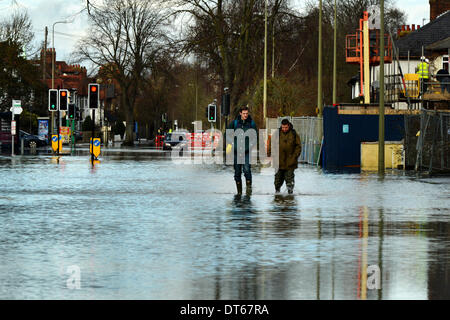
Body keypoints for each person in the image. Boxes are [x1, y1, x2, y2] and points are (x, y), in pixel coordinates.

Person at [226, 105, 257, 195]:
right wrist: (232, 144)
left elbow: (255, 137)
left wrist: (250, 146)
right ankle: (239, 193)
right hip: (236, 151)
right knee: (237, 172)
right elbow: (227, 134)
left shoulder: (251, 123)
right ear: (240, 113)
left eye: (247, 113)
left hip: (247, 151)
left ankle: (248, 192)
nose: (245, 115)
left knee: (247, 170)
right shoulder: (234, 123)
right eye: (244, 113)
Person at [268, 119, 302, 194]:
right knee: (277, 181)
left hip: (290, 162)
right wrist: (270, 154)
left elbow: (298, 146)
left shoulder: (294, 133)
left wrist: (295, 156)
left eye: (286, 127)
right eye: (283, 127)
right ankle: (277, 195)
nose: (284, 129)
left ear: (288, 126)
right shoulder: (277, 133)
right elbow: (271, 144)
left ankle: (290, 197)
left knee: (290, 181)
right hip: (278, 162)